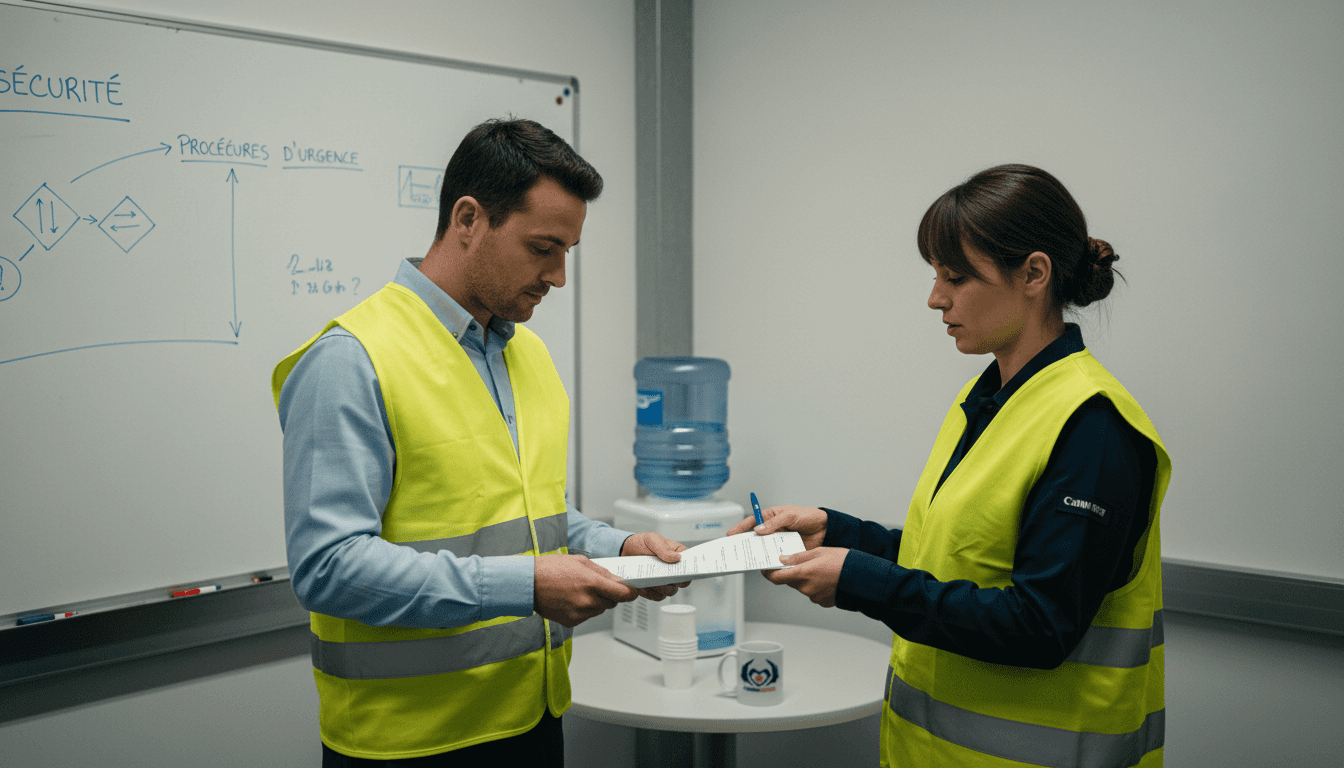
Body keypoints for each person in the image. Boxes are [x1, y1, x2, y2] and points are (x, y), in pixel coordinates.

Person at [272, 118, 688, 766]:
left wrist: (619, 549)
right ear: (468, 219)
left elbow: (534, 516)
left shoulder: (530, 356)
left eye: (568, 252)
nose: (559, 277)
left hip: (531, 721)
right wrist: (526, 586)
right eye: (543, 248)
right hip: (408, 745)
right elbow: (329, 567)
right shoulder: (352, 360)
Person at [730, 164, 1172, 767]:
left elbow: (1041, 626)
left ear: (1034, 274)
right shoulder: (989, 400)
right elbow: (953, 560)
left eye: (956, 277)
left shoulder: (1092, 426)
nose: (936, 297)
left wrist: (859, 581)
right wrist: (838, 534)